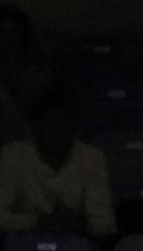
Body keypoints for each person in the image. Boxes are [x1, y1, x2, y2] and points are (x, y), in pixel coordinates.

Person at [0, 87, 114, 237]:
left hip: (75, 245)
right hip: (22, 245)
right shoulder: (12, 155)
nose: (58, 132)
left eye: (64, 124)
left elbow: (105, 223)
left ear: (73, 126)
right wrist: (36, 222)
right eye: (51, 123)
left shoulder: (91, 158)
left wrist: (77, 223)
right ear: (37, 127)